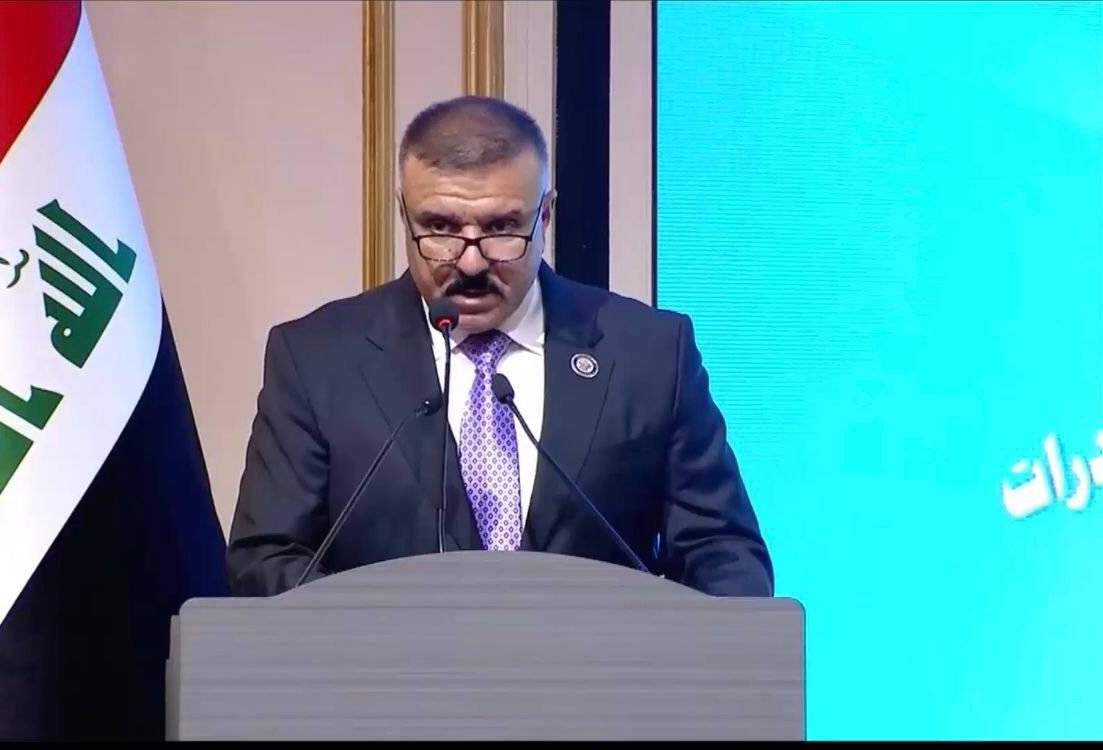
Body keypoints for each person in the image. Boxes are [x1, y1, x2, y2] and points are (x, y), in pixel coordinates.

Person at [227, 96, 772, 597]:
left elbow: (722, 553)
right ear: (403, 213)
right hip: (386, 672)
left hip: (601, 672)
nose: (470, 261)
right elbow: (267, 560)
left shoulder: (649, 355)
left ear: (545, 215)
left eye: (501, 227)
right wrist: (388, 642)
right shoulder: (317, 360)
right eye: (440, 227)